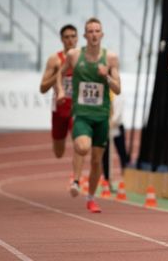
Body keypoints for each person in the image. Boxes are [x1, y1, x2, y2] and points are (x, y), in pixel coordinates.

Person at [56, 17, 121, 213]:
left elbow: (117, 89)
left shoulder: (110, 58)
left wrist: (106, 76)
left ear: (101, 35)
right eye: (90, 31)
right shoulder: (75, 55)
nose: (93, 34)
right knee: (82, 147)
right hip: (82, 113)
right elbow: (60, 73)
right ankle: (75, 180)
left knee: (96, 160)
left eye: (97, 31)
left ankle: (91, 198)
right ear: (85, 35)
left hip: (102, 115)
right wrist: (60, 91)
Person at [39, 24, 85, 191]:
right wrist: (59, 75)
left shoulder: (84, 57)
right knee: (59, 152)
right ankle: (76, 178)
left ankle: (76, 181)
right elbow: (43, 87)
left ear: (78, 38)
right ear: (62, 39)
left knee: (80, 143)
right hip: (59, 108)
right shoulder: (55, 59)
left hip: (78, 108)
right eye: (67, 37)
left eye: (73, 36)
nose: (70, 40)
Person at [102, 91, 130, 185]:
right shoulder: (103, 92)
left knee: (122, 152)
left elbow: (118, 112)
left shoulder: (119, 94)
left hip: (117, 127)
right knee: (105, 154)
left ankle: (126, 177)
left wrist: (112, 122)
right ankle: (107, 179)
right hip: (105, 127)